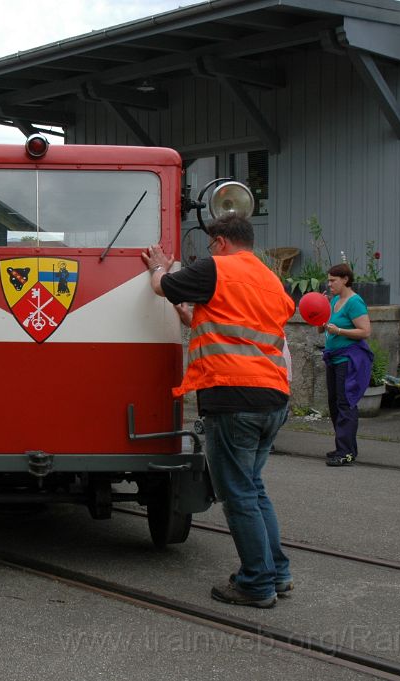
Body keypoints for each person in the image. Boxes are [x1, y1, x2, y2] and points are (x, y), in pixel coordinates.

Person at [142, 214, 294, 609]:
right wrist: (190, 317)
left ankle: (257, 583)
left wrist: (159, 266)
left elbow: (164, 287)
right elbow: (237, 327)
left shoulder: (216, 268)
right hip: (273, 396)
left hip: (233, 397)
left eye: (210, 245)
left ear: (221, 241)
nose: (208, 252)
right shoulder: (270, 280)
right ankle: (277, 572)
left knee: (238, 493)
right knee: (254, 487)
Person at [322, 263, 372, 466]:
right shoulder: (335, 300)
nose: (330, 283)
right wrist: (320, 318)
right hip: (333, 357)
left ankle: (346, 452)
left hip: (347, 360)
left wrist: (340, 332)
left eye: (333, 280)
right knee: (334, 403)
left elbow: (365, 331)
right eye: (329, 280)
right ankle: (344, 446)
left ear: (345, 279)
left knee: (345, 403)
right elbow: (326, 327)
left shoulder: (354, 302)